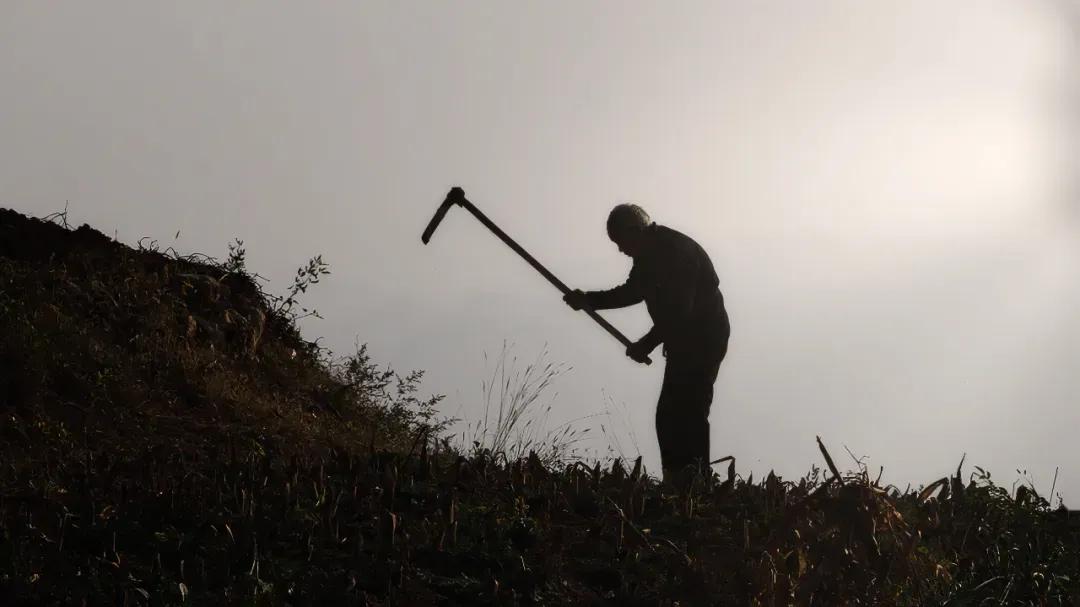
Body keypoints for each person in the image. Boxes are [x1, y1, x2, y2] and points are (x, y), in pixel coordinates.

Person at [564, 204, 730, 486]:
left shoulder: (678, 254)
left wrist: (647, 344)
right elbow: (632, 292)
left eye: (621, 243)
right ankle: (678, 480)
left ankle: (697, 483)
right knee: (669, 415)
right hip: (681, 343)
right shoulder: (647, 256)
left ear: (635, 232)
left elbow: (680, 312)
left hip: (704, 339)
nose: (621, 251)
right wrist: (589, 300)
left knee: (690, 410)